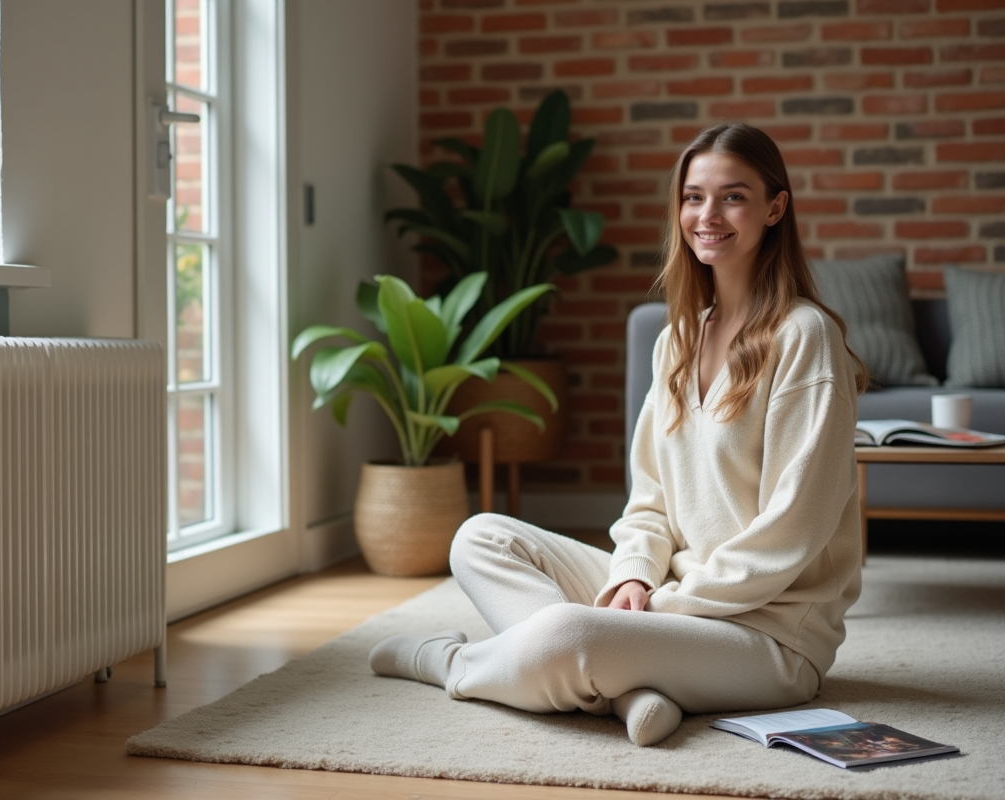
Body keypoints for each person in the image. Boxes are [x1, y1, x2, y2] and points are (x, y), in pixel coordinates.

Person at [369, 121, 869, 747]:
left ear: (775, 208)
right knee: (480, 537)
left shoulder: (805, 337)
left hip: (768, 634)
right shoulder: (678, 341)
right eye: (693, 196)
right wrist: (632, 577)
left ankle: (448, 663)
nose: (708, 214)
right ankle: (634, 691)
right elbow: (650, 499)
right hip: (671, 594)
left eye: (733, 196)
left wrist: (659, 608)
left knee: (570, 634)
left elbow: (793, 529)